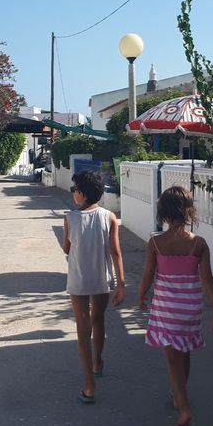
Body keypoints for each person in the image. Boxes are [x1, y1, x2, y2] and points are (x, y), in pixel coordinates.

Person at [137, 186, 213, 426]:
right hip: (190, 308)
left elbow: (147, 275)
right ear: (188, 211)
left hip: (166, 308)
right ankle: (179, 394)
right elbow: (207, 280)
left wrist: (141, 296)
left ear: (163, 212)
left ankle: (184, 410)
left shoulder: (156, 243)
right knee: (184, 353)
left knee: (172, 359)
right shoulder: (199, 244)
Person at [63, 170, 126, 404]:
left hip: (78, 279)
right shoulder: (109, 217)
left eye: (74, 190)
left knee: (82, 329)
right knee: (98, 320)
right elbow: (116, 252)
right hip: (102, 279)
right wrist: (121, 284)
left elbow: (66, 248)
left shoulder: (70, 219)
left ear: (81, 193)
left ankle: (89, 385)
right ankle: (98, 362)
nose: (73, 194)